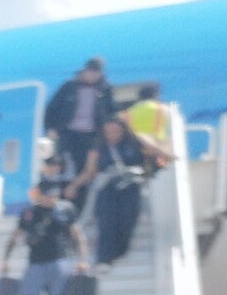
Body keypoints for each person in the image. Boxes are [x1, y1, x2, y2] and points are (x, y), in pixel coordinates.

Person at [1, 182, 89, 295]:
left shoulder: (65, 209)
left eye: (54, 195)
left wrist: (83, 259)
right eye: (48, 195)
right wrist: (6, 259)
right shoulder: (29, 213)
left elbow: (77, 235)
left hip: (60, 260)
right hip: (35, 262)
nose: (52, 199)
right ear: (40, 195)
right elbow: (15, 237)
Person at [74, 117, 148, 265]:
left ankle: (119, 252)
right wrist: (74, 186)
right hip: (107, 188)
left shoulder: (133, 143)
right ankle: (104, 259)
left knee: (128, 221)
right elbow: (89, 171)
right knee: (106, 223)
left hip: (130, 187)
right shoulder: (98, 147)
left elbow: (152, 151)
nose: (112, 134)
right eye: (109, 131)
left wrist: (168, 155)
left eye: (116, 131)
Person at [44, 57, 115, 178]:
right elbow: (52, 107)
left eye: (96, 73)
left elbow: (111, 110)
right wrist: (50, 127)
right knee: (64, 162)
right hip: (68, 132)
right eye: (91, 72)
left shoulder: (105, 89)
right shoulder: (69, 86)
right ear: (85, 71)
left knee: (86, 165)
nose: (93, 76)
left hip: (91, 135)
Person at [123, 82, 174, 170]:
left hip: (138, 151)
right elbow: (170, 132)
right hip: (159, 150)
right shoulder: (164, 109)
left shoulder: (128, 112)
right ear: (155, 95)